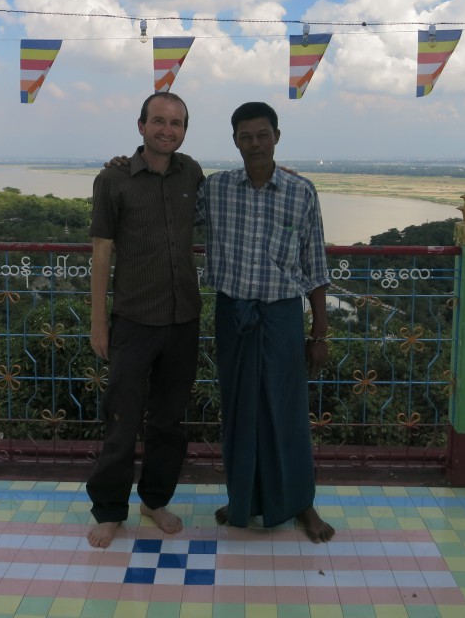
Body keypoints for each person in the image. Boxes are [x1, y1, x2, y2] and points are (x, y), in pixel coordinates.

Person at [197, 101, 335, 543]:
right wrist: (127, 167)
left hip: (281, 317)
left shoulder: (301, 192)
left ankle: (301, 505)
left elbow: (315, 267)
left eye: (262, 135)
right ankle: (244, 499)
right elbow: (170, 208)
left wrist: (319, 334)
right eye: (245, 136)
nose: (254, 144)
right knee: (238, 410)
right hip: (232, 313)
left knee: (287, 412)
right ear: (234, 141)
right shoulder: (215, 189)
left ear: (277, 136)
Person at [85, 91, 204, 549]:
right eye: (158, 121)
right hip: (133, 319)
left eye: (176, 123)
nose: (166, 130)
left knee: (169, 422)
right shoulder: (113, 180)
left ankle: (155, 500)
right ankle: (110, 510)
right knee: (122, 419)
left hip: (183, 320)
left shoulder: (191, 172)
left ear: (184, 130)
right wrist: (99, 322)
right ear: (141, 126)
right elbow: (101, 253)